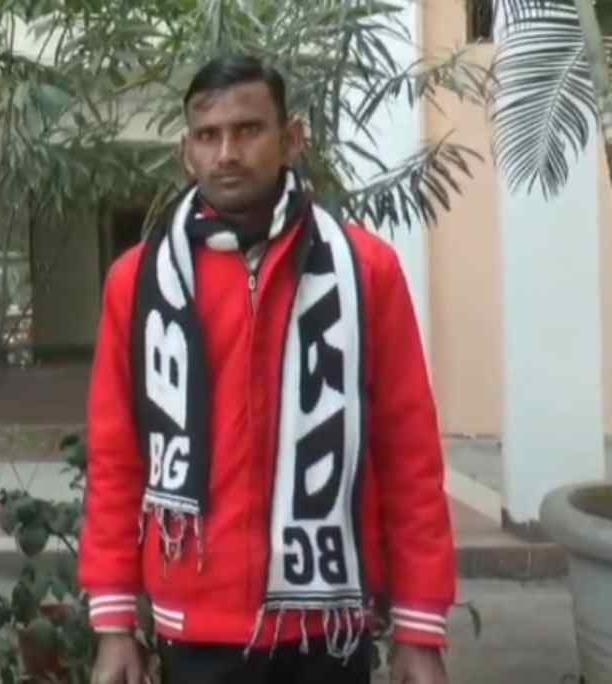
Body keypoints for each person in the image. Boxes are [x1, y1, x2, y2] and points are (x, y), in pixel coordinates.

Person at [80, 56, 456, 684]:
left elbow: (408, 454)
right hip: (195, 624)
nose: (227, 153)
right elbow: (118, 457)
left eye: (249, 130)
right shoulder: (141, 282)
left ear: (292, 139)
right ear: (186, 153)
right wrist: (114, 621)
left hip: (328, 627)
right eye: (208, 135)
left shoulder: (365, 272)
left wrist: (420, 630)